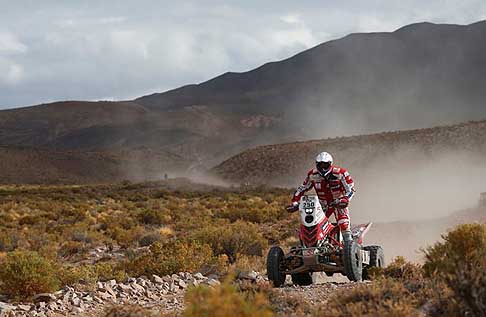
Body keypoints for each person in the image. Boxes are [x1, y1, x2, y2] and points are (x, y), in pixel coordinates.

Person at [287, 151, 356, 243]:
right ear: (316, 164)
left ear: (330, 164)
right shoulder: (312, 175)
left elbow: (351, 189)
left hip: (338, 202)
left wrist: (345, 199)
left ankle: (349, 244)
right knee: (312, 224)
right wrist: (295, 202)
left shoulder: (340, 173)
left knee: (343, 223)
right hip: (321, 204)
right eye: (320, 165)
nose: (323, 168)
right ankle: (315, 245)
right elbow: (301, 188)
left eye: (325, 165)